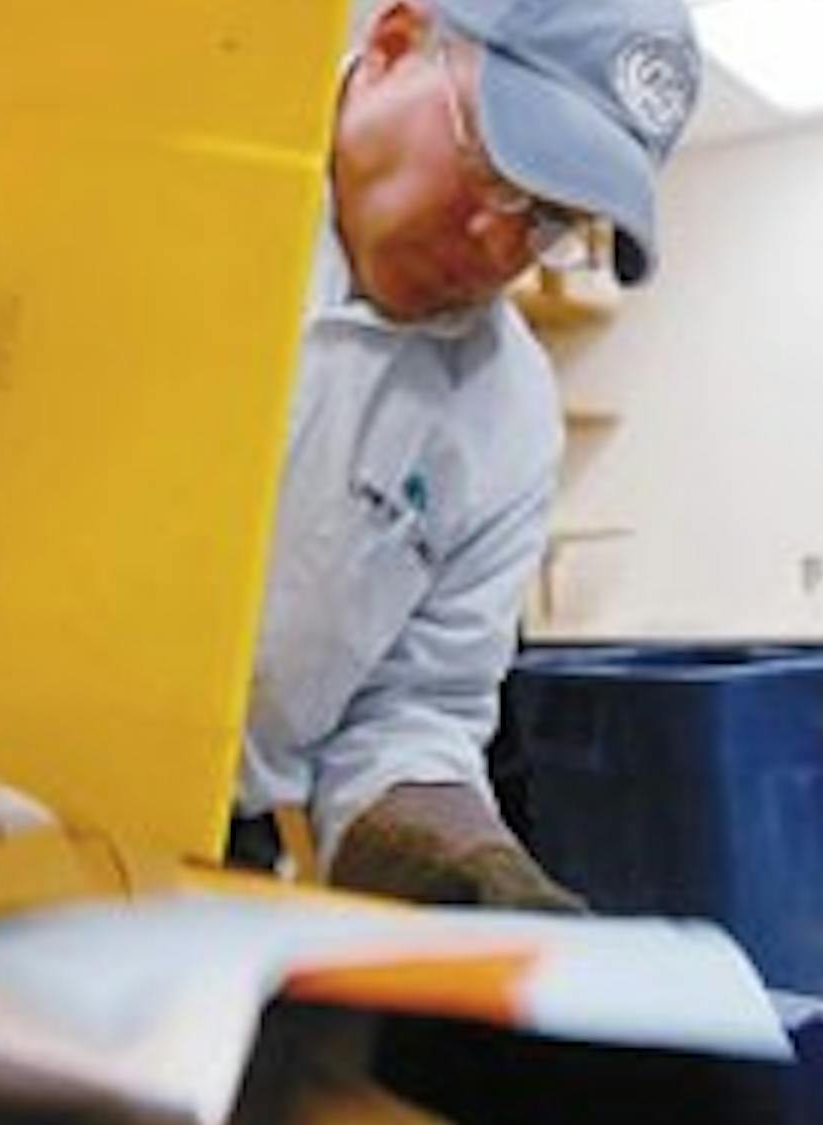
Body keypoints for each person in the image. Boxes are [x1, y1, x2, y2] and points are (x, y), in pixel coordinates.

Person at [231, 0, 702, 910]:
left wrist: (475, 874)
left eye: (551, 221)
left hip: (208, 847)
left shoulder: (507, 416)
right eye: (499, 171)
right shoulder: (179, 174)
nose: (503, 247)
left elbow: (411, 714)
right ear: (395, 46)